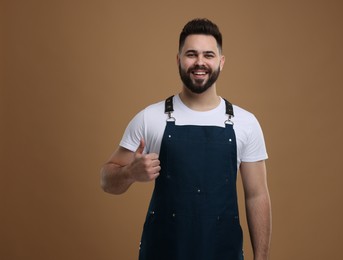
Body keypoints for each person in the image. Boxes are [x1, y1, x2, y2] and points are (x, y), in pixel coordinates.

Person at [100, 18, 272, 260]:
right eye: (191, 54)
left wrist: (261, 258)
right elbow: (106, 181)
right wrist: (130, 172)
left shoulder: (246, 123)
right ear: (179, 60)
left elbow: (257, 195)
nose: (199, 62)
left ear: (221, 62)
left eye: (208, 55)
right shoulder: (150, 118)